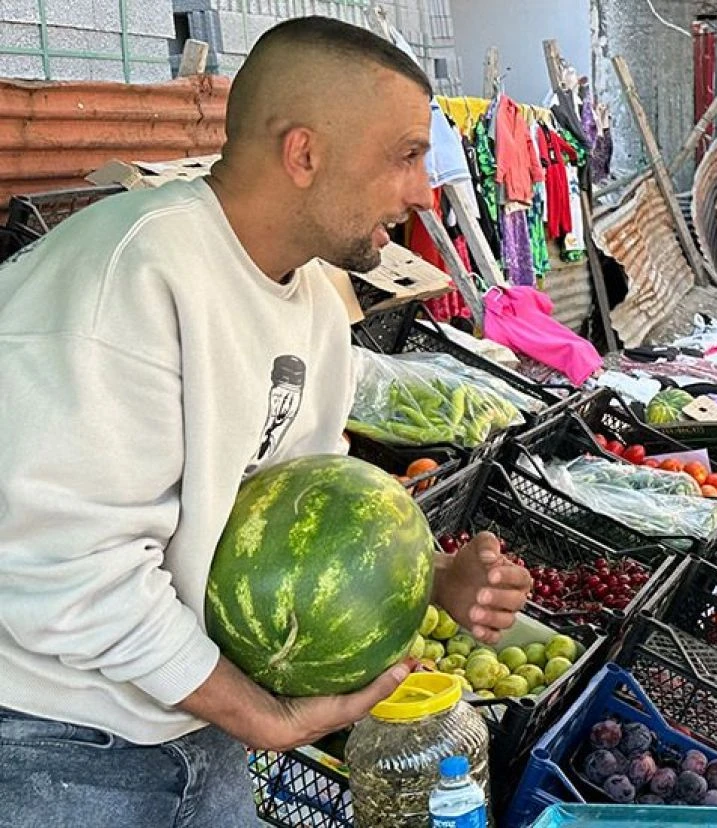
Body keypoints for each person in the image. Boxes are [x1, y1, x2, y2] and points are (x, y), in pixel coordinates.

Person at [0, 17, 532, 826]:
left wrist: (427, 579)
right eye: (406, 155)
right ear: (304, 153)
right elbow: (65, 569)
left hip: (192, 723)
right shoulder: (132, 276)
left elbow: (292, 528)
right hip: (55, 748)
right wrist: (264, 720)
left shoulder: (314, 301)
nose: (425, 192)